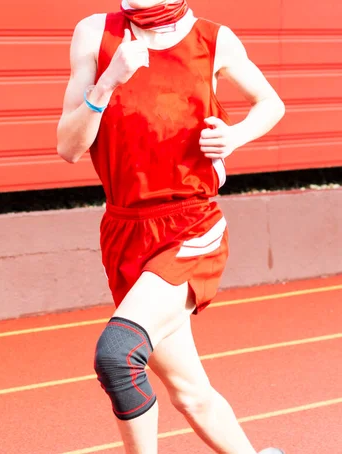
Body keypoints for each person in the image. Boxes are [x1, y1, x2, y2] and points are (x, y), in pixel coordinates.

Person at [56, 0, 286, 453]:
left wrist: (235, 136)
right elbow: (69, 146)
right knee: (191, 393)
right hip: (124, 231)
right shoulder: (94, 35)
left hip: (190, 225)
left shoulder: (212, 39)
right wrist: (108, 80)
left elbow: (270, 103)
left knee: (118, 355)